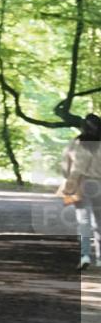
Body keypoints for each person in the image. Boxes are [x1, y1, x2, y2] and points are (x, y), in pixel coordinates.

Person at [60, 113, 101, 270]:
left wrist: (69, 182)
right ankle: (100, 258)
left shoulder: (76, 143)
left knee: (83, 221)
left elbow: (65, 165)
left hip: (79, 183)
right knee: (99, 222)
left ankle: (84, 255)